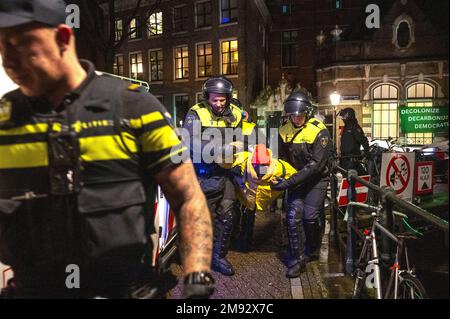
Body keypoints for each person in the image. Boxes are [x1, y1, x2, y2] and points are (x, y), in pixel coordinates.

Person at [0, 0, 214, 299]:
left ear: (63, 38)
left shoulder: (136, 108)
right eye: (3, 46)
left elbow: (188, 197)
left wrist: (196, 278)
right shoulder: (4, 121)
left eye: (23, 44)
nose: (9, 60)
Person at [183, 76, 243, 276]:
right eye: (214, 100)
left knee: (228, 214)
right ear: (207, 97)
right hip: (203, 173)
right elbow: (190, 142)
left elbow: (241, 133)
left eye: (222, 100)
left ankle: (218, 257)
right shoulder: (195, 114)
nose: (218, 104)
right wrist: (220, 149)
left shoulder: (235, 113)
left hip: (225, 172)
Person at [272, 91, 332, 278]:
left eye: (300, 115)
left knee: (310, 217)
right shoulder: (284, 130)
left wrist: (288, 182)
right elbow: (280, 157)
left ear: (308, 113)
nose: (297, 119)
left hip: (316, 179)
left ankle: (312, 247)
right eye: (293, 115)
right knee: (292, 216)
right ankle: (298, 259)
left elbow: (315, 166)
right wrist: (277, 174)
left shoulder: (319, 130)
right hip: (296, 178)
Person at [220, 144, 297, 252]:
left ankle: (245, 241)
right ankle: (240, 241)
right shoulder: (242, 161)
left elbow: (296, 176)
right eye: (258, 166)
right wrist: (228, 150)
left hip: (260, 198)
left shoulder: (280, 168)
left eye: (264, 166)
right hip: (243, 195)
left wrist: (286, 184)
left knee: (249, 215)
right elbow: (223, 162)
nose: (261, 169)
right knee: (238, 213)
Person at [337, 107, 369, 175]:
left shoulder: (355, 127)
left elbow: (363, 140)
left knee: (355, 178)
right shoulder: (346, 127)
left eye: (344, 117)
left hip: (352, 159)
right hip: (344, 158)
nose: (343, 119)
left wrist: (366, 153)